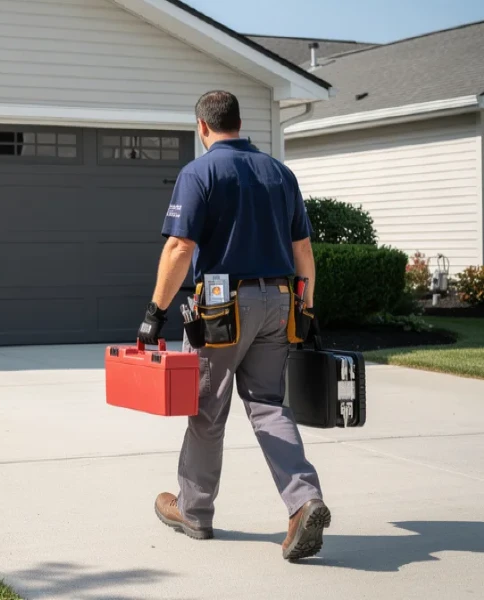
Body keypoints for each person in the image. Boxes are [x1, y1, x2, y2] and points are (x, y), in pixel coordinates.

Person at [136, 90, 328, 561]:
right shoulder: (280, 173)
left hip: (223, 308)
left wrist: (154, 314)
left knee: (207, 410)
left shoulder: (200, 172)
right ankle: (304, 500)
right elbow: (303, 252)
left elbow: (180, 249)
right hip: (280, 300)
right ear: (239, 124)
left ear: (203, 127)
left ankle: (195, 513)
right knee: (268, 405)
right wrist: (307, 308)